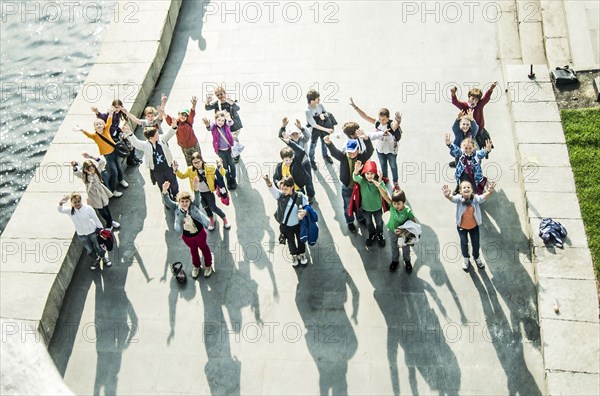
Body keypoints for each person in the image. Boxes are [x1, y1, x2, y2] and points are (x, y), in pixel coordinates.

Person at [323, 122, 373, 233]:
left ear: (358, 150)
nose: (351, 154)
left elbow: (370, 150)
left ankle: (360, 218)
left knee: (360, 204)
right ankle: (350, 222)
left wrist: (366, 138)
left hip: (359, 186)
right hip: (347, 187)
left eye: (353, 152)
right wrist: (329, 143)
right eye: (349, 152)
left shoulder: (362, 156)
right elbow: (335, 153)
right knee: (348, 206)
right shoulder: (343, 157)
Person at [162, 179, 214, 279]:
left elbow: (198, 197)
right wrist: (164, 191)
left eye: (187, 201)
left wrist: (196, 188)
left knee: (204, 248)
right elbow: (167, 201)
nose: (185, 203)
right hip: (187, 236)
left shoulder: (194, 205)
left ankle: (208, 266)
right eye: (182, 201)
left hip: (199, 233)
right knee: (193, 250)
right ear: (179, 201)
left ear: (190, 201)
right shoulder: (176, 207)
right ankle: (196, 266)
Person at [349, 98, 403, 189]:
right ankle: (385, 178)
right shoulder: (378, 123)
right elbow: (365, 116)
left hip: (391, 150)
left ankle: (395, 182)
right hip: (380, 149)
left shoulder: (391, 124)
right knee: (383, 165)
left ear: (388, 118)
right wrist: (355, 107)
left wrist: (398, 120)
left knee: (393, 165)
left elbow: (395, 126)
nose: (382, 121)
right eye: (380, 119)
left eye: (384, 119)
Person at [442, 180, 496, 271]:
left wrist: (489, 192)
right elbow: (452, 198)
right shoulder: (459, 198)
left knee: (476, 243)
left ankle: (476, 257)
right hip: (462, 227)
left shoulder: (475, 198)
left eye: (468, 187)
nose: (466, 188)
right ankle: (466, 259)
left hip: (474, 227)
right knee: (464, 243)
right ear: (460, 191)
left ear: (472, 190)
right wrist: (448, 196)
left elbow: (482, 198)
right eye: (464, 187)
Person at [74, 108, 128, 197]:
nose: (98, 125)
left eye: (100, 124)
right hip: (108, 155)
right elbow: (88, 135)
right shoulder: (95, 136)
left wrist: (110, 114)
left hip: (115, 152)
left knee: (119, 167)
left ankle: (121, 180)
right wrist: (81, 130)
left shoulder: (106, 130)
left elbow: (109, 122)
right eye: (96, 124)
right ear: (94, 127)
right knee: (114, 171)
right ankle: (113, 190)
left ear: (103, 125)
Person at [174, 152, 231, 231]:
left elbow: (222, 173)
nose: (196, 164)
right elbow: (182, 176)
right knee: (205, 207)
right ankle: (211, 219)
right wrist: (176, 170)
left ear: (201, 160)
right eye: (194, 163)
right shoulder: (190, 170)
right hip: (198, 193)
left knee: (213, 207)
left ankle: (224, 218)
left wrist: (220, 166)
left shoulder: (209, 168)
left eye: (198, 162)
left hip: (208, 192)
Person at [123, 123, 179, 199]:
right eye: (156, 134)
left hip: (168, 167)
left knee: (173, 183)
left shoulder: (162, 140)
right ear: (151, 137)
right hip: (157, 171)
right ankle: (167, 197)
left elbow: (169, 134)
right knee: (162, 185)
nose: (158, 135)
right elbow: (136, 143)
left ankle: (176, 195)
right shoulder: (146, 145)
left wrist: (174, 126)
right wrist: (130, 133)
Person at [264, 174, 308, 266]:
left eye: (285, 189)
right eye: (282, 189)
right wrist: (267, 180)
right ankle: (294, 255)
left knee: (301, 240)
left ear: (292, 187)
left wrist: (305, 212)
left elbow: (307, 207)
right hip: (286, 226)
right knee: (290, 241)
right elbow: (272, 188)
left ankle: (302, 254)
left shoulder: (300, 196)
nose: (283, 191)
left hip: (298, 225)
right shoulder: (280, 196)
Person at [58, 192, 110, 270]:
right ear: (71, 202)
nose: (77, 204)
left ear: (81, 200)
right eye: (74, 202)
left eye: (78, 201)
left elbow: (96, 220)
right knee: (90, 249)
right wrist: (61, 202)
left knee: (98, 246)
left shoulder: (88, 208)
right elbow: (60, 210)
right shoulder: (70, 210)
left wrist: (102, 232)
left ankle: (103, 258)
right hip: (82, 235)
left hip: (92, 232)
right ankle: (96, 259)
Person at [71, 153, 120, 229]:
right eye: (89, 170)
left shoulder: (97, 171)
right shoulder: (84, 175)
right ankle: (109, 222)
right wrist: (74, 166)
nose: (92, 171)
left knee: (106, 207)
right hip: (93, 194)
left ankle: (110, 223)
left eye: (92, 169)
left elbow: (102, 162)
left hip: (101, 191)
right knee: (101, 210)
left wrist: (90, 157)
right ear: (85, 170)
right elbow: (76, 173)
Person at [377, 186, 418, 272]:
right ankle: (395, 260)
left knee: (406, 247)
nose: (396, 206)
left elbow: (414, 224)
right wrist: (379, 186)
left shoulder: (408, 211)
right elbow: (384, 196)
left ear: (404, 202)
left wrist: (404, 231)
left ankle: (407, 261)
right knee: (394, 247)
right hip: (392, 232)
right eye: (394, 203)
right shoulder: (392, 206)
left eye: (398, 203)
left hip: (404, 234)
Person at [450, 82, 497, 156]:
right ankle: (459, 158)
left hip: (479, 131)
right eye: (472, 99)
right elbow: (455, 102)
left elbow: (486, 98)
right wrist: (453, 93)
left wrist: (491, 89)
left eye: (476, 100)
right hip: (468, 131)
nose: (474, 102)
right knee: (464, 145)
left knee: (478, 147)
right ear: (469, 97)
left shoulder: (479, 105)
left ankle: (476, 161)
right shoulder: (464, 106)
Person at [92, 99, 142, 166]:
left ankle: (133, 157)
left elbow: (116, 125)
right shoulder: (110, 114)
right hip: (112, 137)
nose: (117, 109)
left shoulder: (119, 114)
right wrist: (97, 112)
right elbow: (102, 116)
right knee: (127, 145)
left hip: (117, 132)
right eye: (115, 107)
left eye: (118, 107)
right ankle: (130, 161)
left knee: (131, 142)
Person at [279, 117, 316, 204]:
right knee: (297, 181)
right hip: (295, 165)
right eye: (293, 134)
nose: (295, 136)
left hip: (305, 163)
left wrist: (301, 127)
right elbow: (281, 136)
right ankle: (300, 195)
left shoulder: (303, 139)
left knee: (308, 181)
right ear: (290, 135)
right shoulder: (288, 141)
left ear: (299, 133)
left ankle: (311, 196)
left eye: (296, 134)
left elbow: (308, 135)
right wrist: (283, 126)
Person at [205, 86, 244, 162]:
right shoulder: (217, 104)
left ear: (225, 93)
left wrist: (231, 103)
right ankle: (233, 152)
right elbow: (207, 108)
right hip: (224, 127)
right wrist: (207, 102)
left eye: (221, 94)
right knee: (228, 140)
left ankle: (237, 154)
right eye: (218, 95)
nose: (220, 96)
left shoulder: (229, 101)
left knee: (233, 139)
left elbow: (238, 109)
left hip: (234, 126)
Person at [352, 160, 386, 247]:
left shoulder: (378, 182)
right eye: (367, 174)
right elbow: (355, 177)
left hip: (377, 208)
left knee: (379, 222)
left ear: (375, 174)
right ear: (364, 174)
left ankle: (380, 234)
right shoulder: (363, 181)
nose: (369, 176)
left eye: (371, 174)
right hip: (366, 209)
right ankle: (372, 234)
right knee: (368, 222)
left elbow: (384, 193)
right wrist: (356, 170)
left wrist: (380, 182)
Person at [273, 136, 313, 205]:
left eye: (291, 159)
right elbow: (275, 178)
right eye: (287, 160)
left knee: (300, 205)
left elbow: (301, 151)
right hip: (285, 191)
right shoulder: (279, 166)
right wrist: (278, 183)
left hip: (298, 190)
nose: (289, 161)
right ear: (282, 159)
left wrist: (289, 142)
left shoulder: (296, 162)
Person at [203, 111, 237, 190]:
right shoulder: (214, 127)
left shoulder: (226, 125)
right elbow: (209, 127)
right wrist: (207, 124)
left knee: (232, 164)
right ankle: (228, 179)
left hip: (229, 150)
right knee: (224, 166)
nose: (221, 122)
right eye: (219, 120)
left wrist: (228, 119)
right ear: (215, 120)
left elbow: (230, 122)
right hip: (221, 151)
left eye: (222, 120)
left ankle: (233, 179)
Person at [165, 96, 201, 166]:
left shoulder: (189, 121)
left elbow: (192, 113)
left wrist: (193, 105)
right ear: (178, 114)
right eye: (182, 114)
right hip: (184, 147)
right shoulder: (176, 122)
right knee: (189, 163)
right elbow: (169, 120)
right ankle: (192, 174)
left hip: (194, 145)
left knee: (199, 160)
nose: (183, 116)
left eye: (185, 115)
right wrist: (163, 113)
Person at [305, 89, 335, 170]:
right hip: (315, 131)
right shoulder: (308, 111)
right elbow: (314, 125)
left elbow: (326, 112)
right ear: (312, 101)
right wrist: (327, 130)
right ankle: (312, 160)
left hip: (323, 129)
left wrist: (322, 114)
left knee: (324, 143)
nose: (319, 100)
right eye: (317, 99)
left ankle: (325, 156)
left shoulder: (320, 105)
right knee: (313, 146)